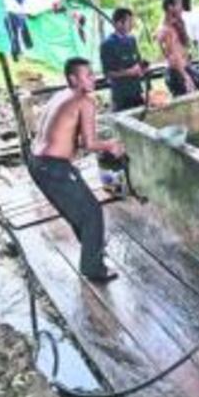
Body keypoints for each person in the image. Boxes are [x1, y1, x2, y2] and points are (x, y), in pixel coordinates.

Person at [28, 58, 124, 284]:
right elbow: (89, 144)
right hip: (53, 167)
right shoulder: (85, 101)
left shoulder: (61, 95)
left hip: (36, 162)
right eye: (87, 75)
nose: (93, 78)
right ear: (73, 79)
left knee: (79, 212)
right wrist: (111, 145)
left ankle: (93, 253)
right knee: (92, 213)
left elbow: (75, 138)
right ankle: (93, 268)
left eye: (92, 73)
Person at [156, 0, 199, 97]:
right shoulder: (164, 30)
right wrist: (185, 77)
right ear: (170, 7)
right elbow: (172, 56)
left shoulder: (177, 23)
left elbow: (185, 45)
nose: (182, 8)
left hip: (186, 67)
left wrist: (181, 26)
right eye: (179, 4)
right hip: (177, 72)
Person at [99, 7, 147, 112]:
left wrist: (142, 68)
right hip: (121, 95)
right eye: (129, 22)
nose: (132, 25)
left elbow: (137, 62)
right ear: (118, 23)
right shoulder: (107, 44)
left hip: (136, 91)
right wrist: (129, 72)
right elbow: (108, 73)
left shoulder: (132, 40)